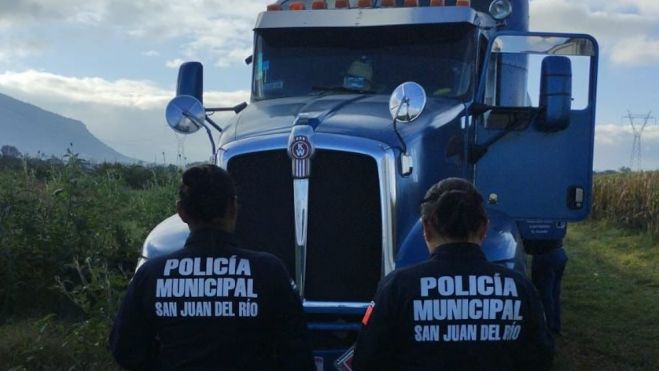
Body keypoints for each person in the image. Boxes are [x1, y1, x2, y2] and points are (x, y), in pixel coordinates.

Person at [109, 164, 315, 370]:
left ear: (181, 212)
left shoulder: (151, 275)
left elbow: (125, 350)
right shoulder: (269, 271)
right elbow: (298, 357)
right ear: (233, 208)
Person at [352, 178, 554, 371]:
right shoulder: (520, 288)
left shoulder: (396, 287)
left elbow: (366, 360)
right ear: (484, 229)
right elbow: (540, 358)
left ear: (426, 229)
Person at [524, 236, 568, 335]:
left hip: (544, 256)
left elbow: (528, 244)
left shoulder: (536, 221)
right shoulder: (553, 219)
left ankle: (547, 328)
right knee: (554, 293)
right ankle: (555, 326)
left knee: (544, 296)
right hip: (559, 252)